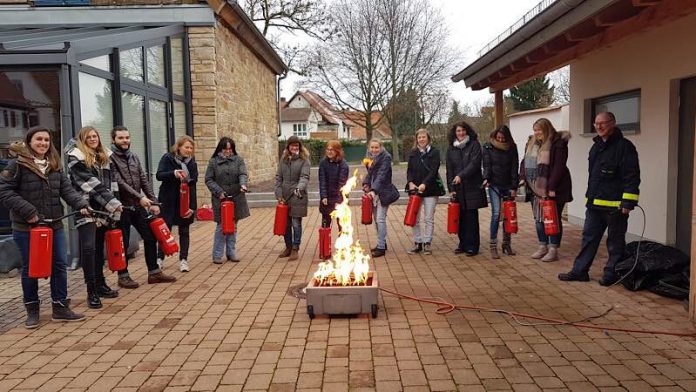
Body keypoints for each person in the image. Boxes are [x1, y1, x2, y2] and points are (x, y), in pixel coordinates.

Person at [0, 126, 90, 328]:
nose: (43, 143)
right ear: (29, 142)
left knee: (59, 265)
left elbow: (67, 191)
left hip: (54, 224)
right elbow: (4, 192)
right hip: (26, 228)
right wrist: (29, 212)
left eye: (46, 140)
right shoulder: (17, 165)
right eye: (38, 139)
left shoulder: (54, 166)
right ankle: (32, 310)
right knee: (30, 268)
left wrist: (82, 204)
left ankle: (60, 307)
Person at [559, 112, 640, 285]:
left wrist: (628, 202)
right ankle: (580, 271)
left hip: (616, 206)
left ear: (613, 123)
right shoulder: (595, 147)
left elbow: (632, 176)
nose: (599, 127)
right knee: (588, 238)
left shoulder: (624, 147)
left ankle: (612, 274)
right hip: (595, 204)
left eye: (603, 123)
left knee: (615, 242)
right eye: (596, 124)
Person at [110, 125, 176, 287]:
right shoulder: (110, 159)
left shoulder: (134, 157)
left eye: (127, 137)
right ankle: (123, 276)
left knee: (150, 237)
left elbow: (143, 179)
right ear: (114, 140)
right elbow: (120, 183)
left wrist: (152, 201)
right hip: (121, 207)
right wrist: (140, 197)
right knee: (123, 243)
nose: (125, 141)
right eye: (121, 138)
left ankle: (154, 273)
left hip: (138, 206)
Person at [65, 126, 122, 309]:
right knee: (88, 249)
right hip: (85, 208)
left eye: (95, 136)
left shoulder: (105, 156)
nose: (92, 139)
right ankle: (91, 292)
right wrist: (113, 203)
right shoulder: (75, 158)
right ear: (82, 139)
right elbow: (91, 184)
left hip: (103, 209)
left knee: (98, 249)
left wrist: (115, 206)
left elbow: (112, 183)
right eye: (88, 137)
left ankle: (100, 284)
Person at [519, 118, 572, 262]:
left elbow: (559, 167)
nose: (537, 133)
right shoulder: (531, 143)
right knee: (539, 219)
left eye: (539, 130)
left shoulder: (558, 143)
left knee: (552, 218)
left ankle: (553, 248)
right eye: (535, 130)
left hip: (555, 188)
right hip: (535, 189)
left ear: (547, 129)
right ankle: (543, 246)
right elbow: (524, 162)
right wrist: (523, 177)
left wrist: (551, 187)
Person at [156, 136, 198, 272]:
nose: (189, 150)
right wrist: (174, 173)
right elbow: (159, 175)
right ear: (179, 147)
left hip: (184, 200)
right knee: (165, 229)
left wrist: (193, 207)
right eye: (186, 147)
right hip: (168, 200)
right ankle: (159, 259)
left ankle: (183, 260)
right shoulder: (167, 158)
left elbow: (193, 185)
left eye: (191, 148)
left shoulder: (192, 163)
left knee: (184, 230)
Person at [205, 137, 250, 264]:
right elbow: (209, 179)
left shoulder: (239, 160)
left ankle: (231, 252)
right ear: (220, 149)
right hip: (220, 198)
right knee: (221, 226)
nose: (228, 151)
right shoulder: (213, 162)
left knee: (233, 225)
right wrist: (219, 192)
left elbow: (243, 174)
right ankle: (217, 254)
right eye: (225, 149)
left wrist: (243, 184)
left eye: (230, 149)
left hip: (236, 197)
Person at [446, 121, 487, 256]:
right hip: (458, 188)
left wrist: (461, 176)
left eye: (463, 130)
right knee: (460, 217)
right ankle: (462, 244)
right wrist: (451, 187)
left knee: (471, 218)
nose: (461, 133)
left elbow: (474, 164)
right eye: (458, 131)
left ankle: (472, 246)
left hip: (472, 186)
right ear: (455, 133)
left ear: (467, 131)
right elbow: (449, 169)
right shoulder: (451, 148)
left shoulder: (474, 145)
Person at [405, 129, 445, 255]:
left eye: (423, 137)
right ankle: (418, 242)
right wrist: (410, 182)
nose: (421, 139)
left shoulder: (435, 152)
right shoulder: (412, 153)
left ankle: (427, 242)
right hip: (415, 189)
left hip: (430, 189)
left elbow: (434, 171)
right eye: (419, 137)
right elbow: (409, 170)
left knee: (428, 217)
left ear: (428, 138)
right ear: (416, 139)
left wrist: (424, 184)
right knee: (414, 217)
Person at [482, 125, 519, 258]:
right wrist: (486, 178)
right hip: (494, 185)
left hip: (508, 184)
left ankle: (506, 244)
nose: (501, 140)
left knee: (508, 215)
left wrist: (514, 187)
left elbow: (515, 166)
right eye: (499, 137)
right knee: (496, 214)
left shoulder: (512, 147)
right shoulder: (488, 147)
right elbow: (486, 165)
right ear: (495, 136)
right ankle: (493, 245)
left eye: (503, 138)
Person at [275, 136, 310, 261]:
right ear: (288, 147)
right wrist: (279, 194)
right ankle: (288, 247)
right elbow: (279, 178)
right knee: (286, 224)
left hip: (298, 196)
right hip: (285, 197)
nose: (294, 148)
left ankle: (295, 248)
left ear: (300, 147)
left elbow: (305, 177)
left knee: (296, 223)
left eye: (297, 146)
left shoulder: (304, 160)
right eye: (292, 146)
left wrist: (299, 188)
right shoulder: (283, 160)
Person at [363, 138, 400, 258]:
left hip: (383, 192)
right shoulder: (369, 157)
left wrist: (374, 190)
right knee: (376, 220)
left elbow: (381, 175)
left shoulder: (386, 157)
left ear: (381, 147)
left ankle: (381, 247)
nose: (374, 150)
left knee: (380, 219)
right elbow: (370, 174)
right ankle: (382, 242)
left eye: (376, 147)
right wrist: (366, 184)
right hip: (373, 192)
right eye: (372, 147)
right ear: (369, 148)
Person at [318, 140, 349, 230]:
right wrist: (323, 196)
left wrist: (338, 201)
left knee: (342, 226)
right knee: (325, 226)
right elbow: (322, 180)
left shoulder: (343, 165)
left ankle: (342, 243)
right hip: (327, 199)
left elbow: (342, 184)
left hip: (339, 198)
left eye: (332, 150)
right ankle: (325, 244)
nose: (329, 152)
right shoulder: (323, 163)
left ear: (337, 151)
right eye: (328, 149)